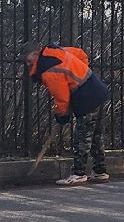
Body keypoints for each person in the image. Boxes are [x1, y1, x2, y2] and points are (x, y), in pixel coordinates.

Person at [24, 42, 111, 186]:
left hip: (86, 97)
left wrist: (61, 115)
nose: (28, 65)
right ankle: (100, 171)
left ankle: (78, 174)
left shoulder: (48, 69)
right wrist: (81, 71)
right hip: (97, 89)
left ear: (35, 54)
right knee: (95, 136)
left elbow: (62, 96)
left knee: (82, 137)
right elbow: (81, 54)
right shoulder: (55, 51)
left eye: (28, 60)